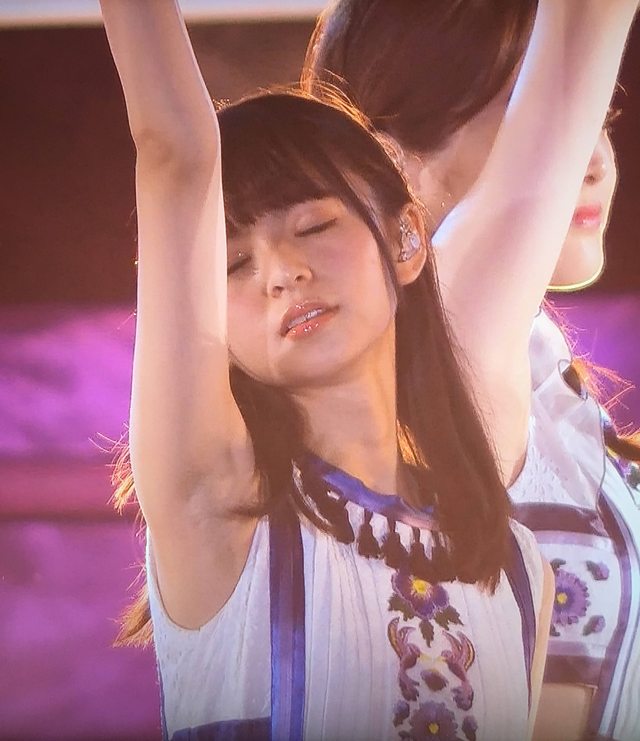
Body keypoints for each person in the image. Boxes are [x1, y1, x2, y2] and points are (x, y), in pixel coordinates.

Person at [99, 1, 564, 739]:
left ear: (405, 238)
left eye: (313, 225)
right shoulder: (220, 501)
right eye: (235, 264)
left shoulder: (517, 565)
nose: (281, 271)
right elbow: (176, 155)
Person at [302, 1, 640, 739]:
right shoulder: (433, 343)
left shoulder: (537, 372)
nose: (592, 158)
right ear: (392, 163)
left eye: (603, 116)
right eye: (542, 117)